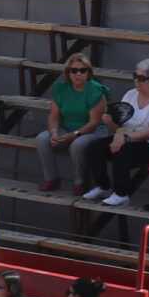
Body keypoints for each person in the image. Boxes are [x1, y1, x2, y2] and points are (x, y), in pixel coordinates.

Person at [81, 57, 149, 206]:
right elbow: (120, 126)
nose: (136, 81)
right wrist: (111, 124)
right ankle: (103, 186)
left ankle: (121, 194)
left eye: (141, 78)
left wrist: (124, 138)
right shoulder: (130, 94)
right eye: (135, 76)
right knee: (94, 147)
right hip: (129, 137)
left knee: (123, 151)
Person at [32, 50, 110, 193]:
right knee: (42, 138)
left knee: (77, 144)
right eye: (73, 70)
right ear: (68, 73)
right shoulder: (61, 88)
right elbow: (54, 116)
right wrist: (54, 133)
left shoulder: (96, 91)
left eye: (82, 70)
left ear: (88, 72)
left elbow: (94, 122)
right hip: (67, 127)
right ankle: (51, 179)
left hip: (93, 131)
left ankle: (80, 182)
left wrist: (74, 134)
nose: (78, 74)